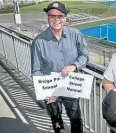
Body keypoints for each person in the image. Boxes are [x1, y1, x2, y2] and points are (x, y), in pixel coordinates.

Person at [30, 1, 89, 133]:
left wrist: (74, 65)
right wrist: (45, 92)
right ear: (48, 17)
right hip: (51, 91)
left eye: (60, 16)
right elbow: (36, 71)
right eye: (52, 16)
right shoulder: (38, 42)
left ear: (65, 18)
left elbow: (85, 55)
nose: (57, 19)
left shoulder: (75, 34)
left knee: (75, 119)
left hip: (71, 87)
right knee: (56, 120)